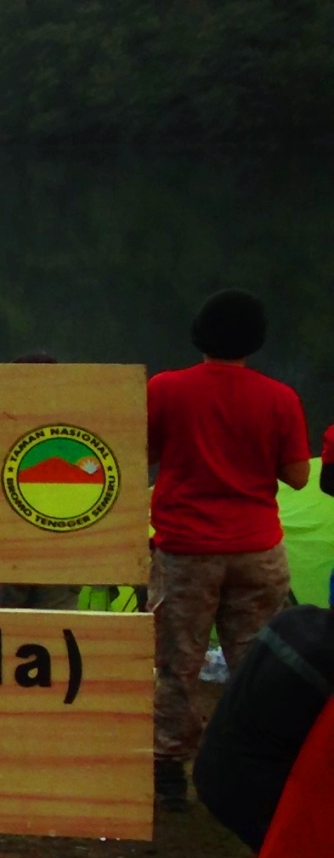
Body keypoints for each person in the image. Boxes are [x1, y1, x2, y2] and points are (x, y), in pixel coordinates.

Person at [147, 289, 311, 802]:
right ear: (255, 340)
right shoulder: (280, 398)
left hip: (185, 549)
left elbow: (142, 454)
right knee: (256, 663)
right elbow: (299, 477)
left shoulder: (166, 389)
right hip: (258, 549)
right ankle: (256, 768)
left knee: (178, 660)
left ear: (199, 333)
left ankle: (169, 768)